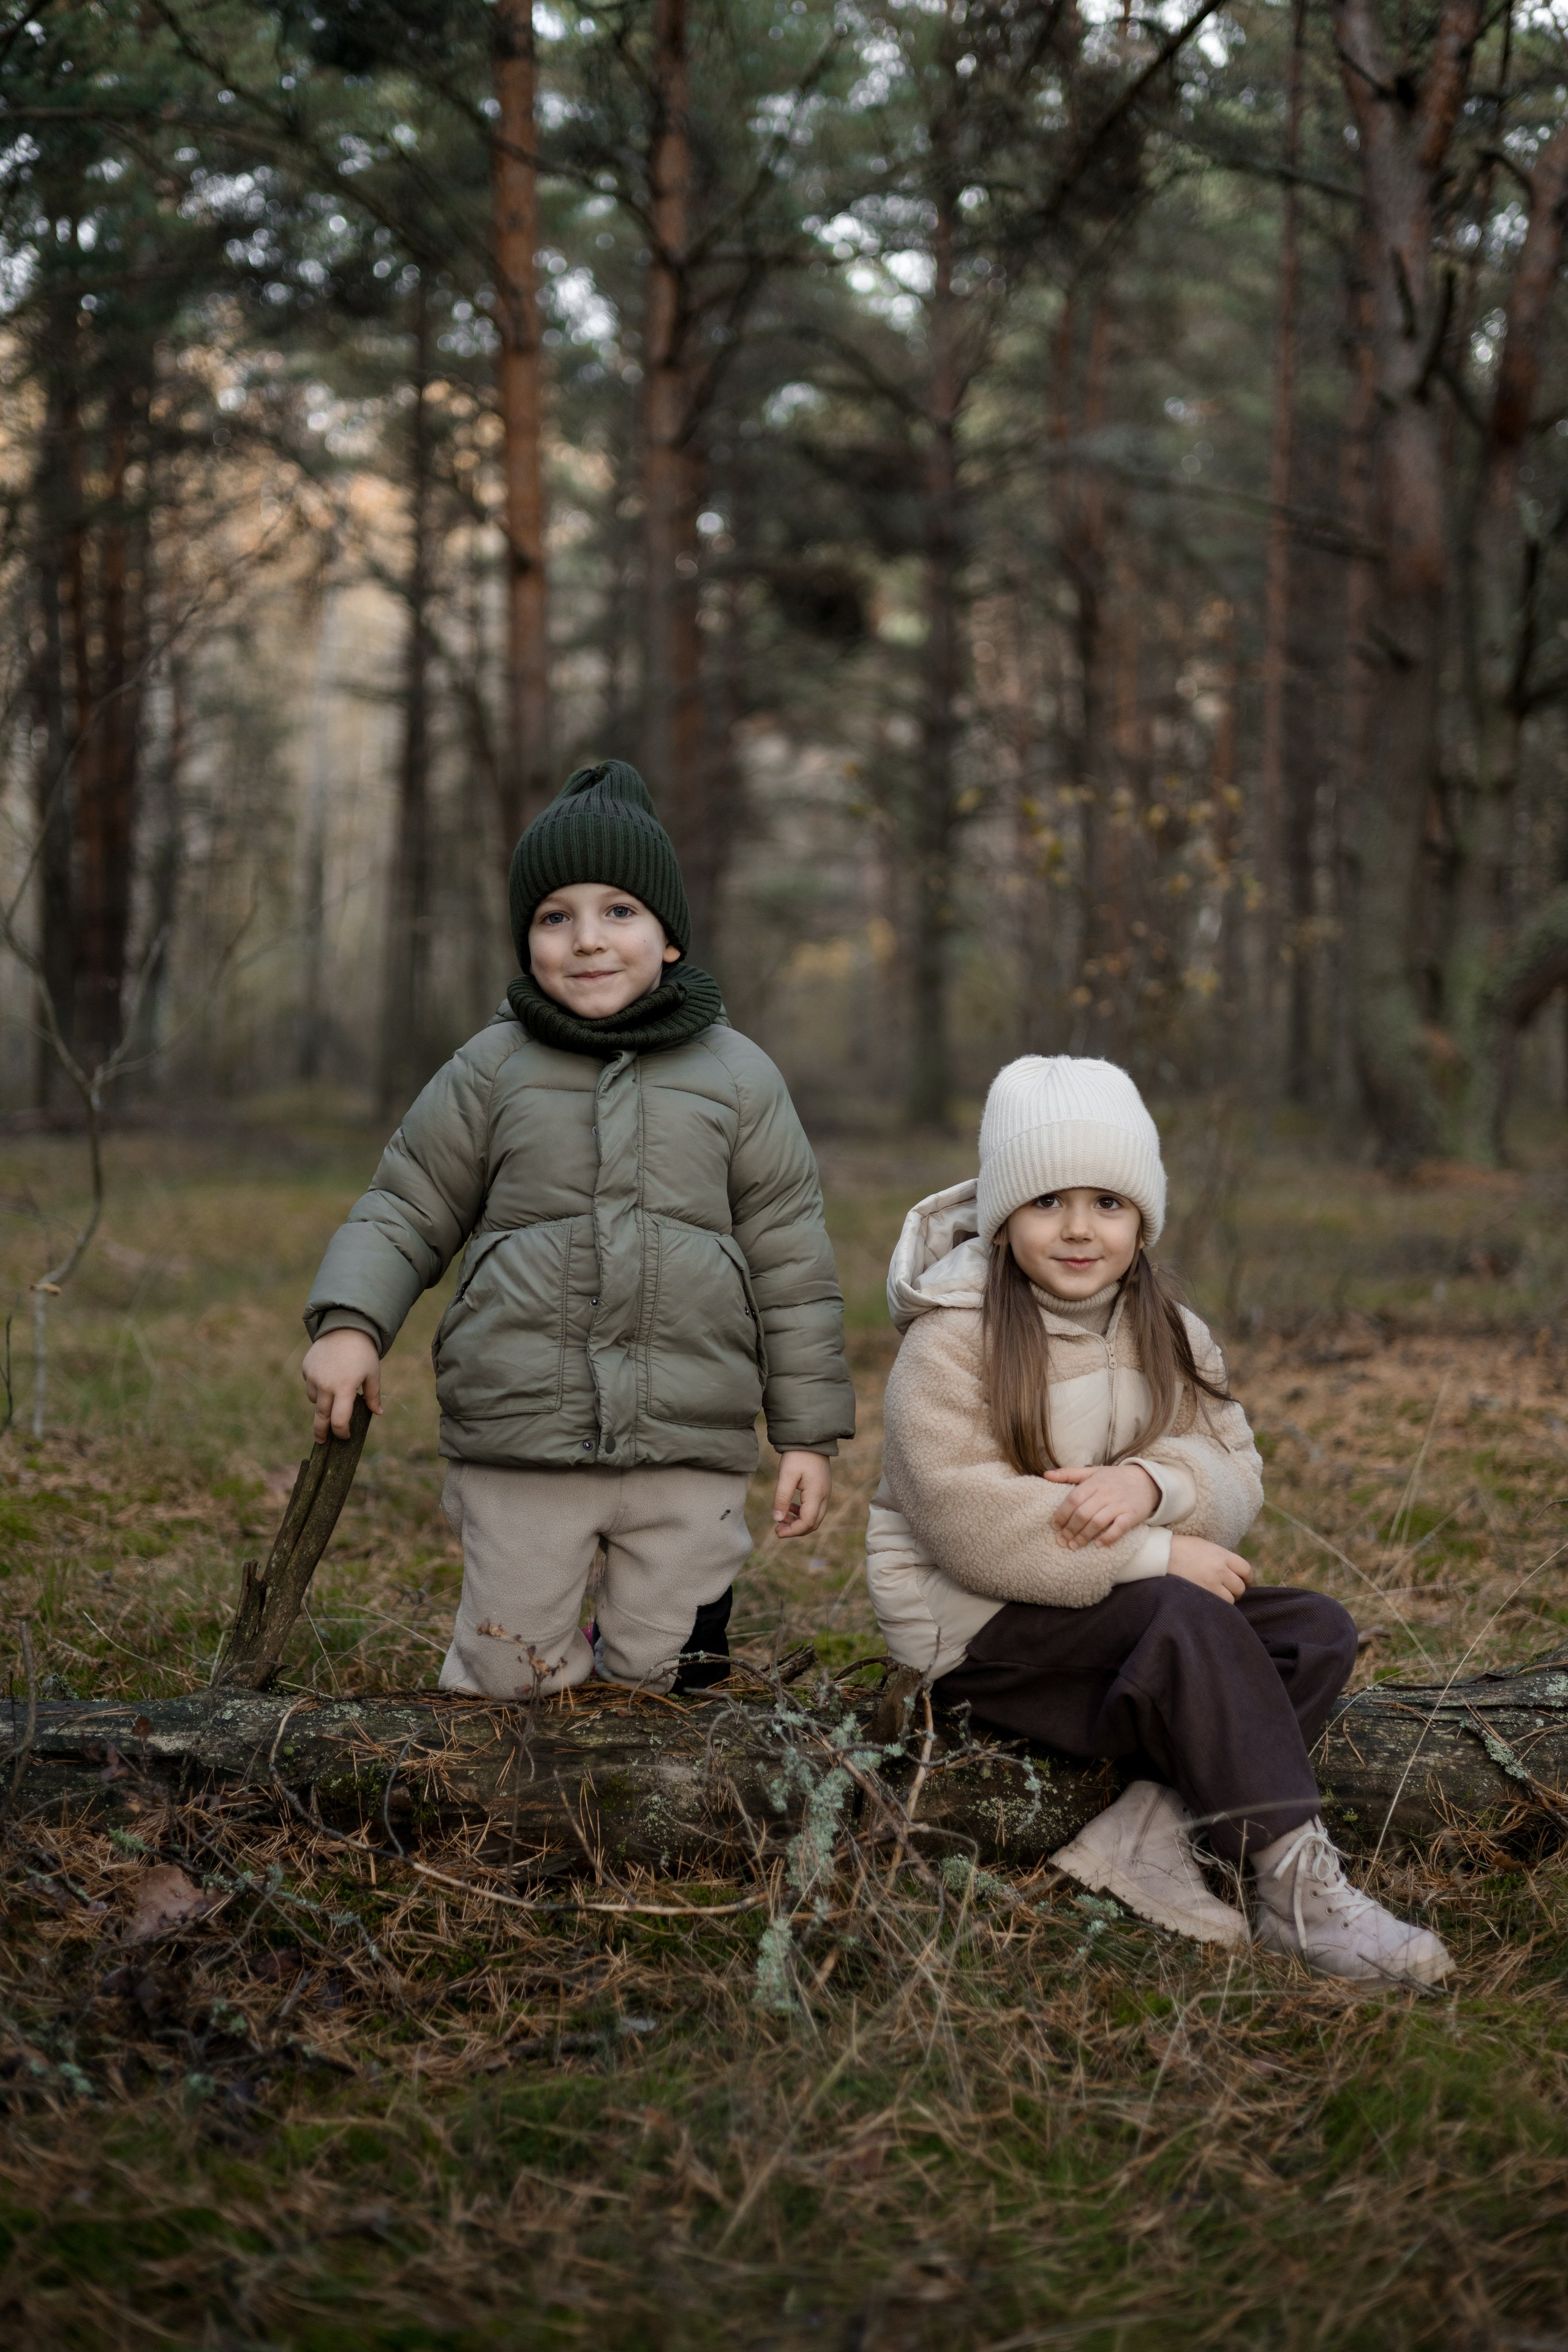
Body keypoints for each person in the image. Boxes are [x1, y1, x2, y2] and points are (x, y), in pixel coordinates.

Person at [865, 1054, 1452, 1988]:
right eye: (1048, 1201)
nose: (1078, 1228)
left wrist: (1152, 1486)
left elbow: (1234, 1460)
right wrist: (1154, 1555)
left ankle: (1155, 1829)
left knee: (1314, 1632)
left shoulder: (1168, 1326)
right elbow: (960, 1518)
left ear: (1144, 1218)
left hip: (1108, 1611)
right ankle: (1299, 1897)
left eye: (1108, 1201)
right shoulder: (950, 1334)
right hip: (977, 1628)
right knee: (1190, 1618)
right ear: (1004, 1213)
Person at [300, 760, 855, 1698]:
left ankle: (657, 1784)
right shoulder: (492, 1069)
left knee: (669, 1677)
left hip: (690, 1438)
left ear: (670, 936)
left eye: (620, 912)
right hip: (522, 1433)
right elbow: (407, 1203)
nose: (588, 940)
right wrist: (351, 1323)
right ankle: (503, 1792)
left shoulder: (739, 1077)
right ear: (526, 941)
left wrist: (807, 1436)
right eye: (556, 916)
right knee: (510, 1673)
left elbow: (790, 1261)